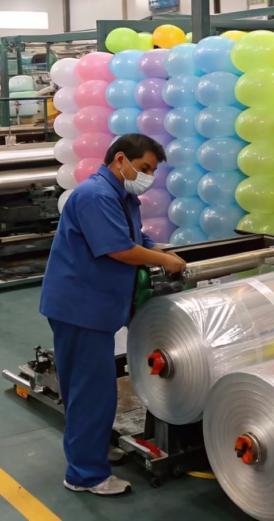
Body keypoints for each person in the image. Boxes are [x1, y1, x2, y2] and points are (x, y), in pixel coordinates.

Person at [39, 133, 187, 496]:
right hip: (80, 308)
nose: (148, 175)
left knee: (91, 388)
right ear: (121, 159)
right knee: (92, 392)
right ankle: (85, 475)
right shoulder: (96, 195)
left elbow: (134, 238)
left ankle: (91, 448)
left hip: (94, 307)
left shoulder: (122, 195)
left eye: (152, 170)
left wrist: (161, 247)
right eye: (145, 167)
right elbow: (119, 249)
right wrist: (165, 260)